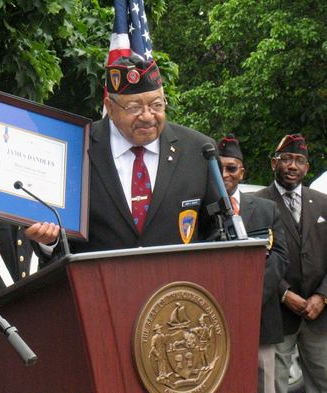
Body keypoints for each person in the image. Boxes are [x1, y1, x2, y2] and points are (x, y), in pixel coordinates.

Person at [71, 55, 217, 253]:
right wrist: (48, 243)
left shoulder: (199, 150)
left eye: (157, 105)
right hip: (100, 281)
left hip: (177, 282)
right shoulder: (77, 148)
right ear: (110, 108)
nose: (148, 116)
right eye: (134, 108)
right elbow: (60, 237)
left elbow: (217, 232)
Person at [255, 134, 327, 393]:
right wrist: (285, 294)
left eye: (299, 160)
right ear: (274, 163)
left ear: (307, 167)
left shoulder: (322, 203)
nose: (292, 165)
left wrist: (322, 296)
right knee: (274, 386)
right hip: (278, 314)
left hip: (319, 316)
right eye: (286, 159)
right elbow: (256, 261)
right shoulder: (258, 204)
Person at [218, 134, 289, 393]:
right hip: (216, 314)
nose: (225, 173)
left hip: (261, 316)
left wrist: (252, 296)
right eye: (218, 167)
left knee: (263, 382)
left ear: (242, 171)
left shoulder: (265, 208)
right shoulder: (199, 208)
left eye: (231, 168)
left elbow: (281, 257)